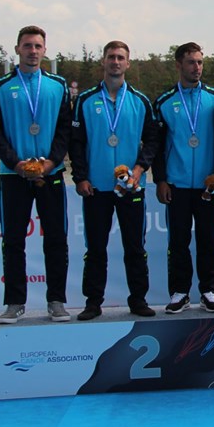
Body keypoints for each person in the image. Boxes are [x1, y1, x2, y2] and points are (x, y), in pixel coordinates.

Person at [0, 25, 72, 323]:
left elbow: (65, 129)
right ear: (17, 49)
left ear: (44, 50)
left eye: (37, 46)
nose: (33, 51)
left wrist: (51, 162)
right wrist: (16, 164)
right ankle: (14, 303)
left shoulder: (58, 85)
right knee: (13, 240)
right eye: (27, 46)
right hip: (14, 175)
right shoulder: (0, 86)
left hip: (51, 174)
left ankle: (56, 300)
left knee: (56, 239)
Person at [70, 41, 158, 320]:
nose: (116, 62)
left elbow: (153, 140)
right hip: (96, 187)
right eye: (111, 57)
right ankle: (93, 302)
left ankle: (138, 300)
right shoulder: (85, 100)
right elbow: (76, 143)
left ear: (128, 63)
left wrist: (140, 169)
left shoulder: (140, 101)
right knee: (96, 248)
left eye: (121, 57)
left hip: (131, 186)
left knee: (135, 246)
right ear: (103, 61)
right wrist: (80, 177)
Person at [153, 43, 214, 314]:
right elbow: (157, 147)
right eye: (191, 62)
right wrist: (161, 179)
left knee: (208, 239)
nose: (197, 67)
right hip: (177, 184)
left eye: (200, 62)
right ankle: (180, 292)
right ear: (179, 65)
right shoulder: (164, 102)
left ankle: (209, 290)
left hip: (208, 185)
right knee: (178, 241)